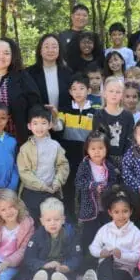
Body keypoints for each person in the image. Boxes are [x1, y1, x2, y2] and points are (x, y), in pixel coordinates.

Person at [84, 185, 140, 280]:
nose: (121, 215)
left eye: (125, 211)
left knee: (117, 277)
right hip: (106, 264)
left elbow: (138, 256)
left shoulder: (135, 232)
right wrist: (100, 252)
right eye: (116, 212)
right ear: (110, 212)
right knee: (106, 261)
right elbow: (93, 247)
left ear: (131, 211)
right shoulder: (105, 229)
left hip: (125, 269)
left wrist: (122, 255)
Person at [16, 198, 81, 280]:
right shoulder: (37, 236)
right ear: (42, 221)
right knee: (40, 274)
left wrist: (67, 266)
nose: (53, 223)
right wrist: (43, 265)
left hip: (62, 265)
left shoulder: (70, 234)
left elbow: (76, 256)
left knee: (66, 275)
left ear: (63, 219)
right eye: (48, 220)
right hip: (45, 264)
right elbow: (29, 257)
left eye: (56, 219)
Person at [75, 131, 120, 270]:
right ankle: (88, 266)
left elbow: (114, 183)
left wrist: (107, 188)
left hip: (105, 208)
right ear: (87, 150)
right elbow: (79, 182)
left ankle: (105, 264)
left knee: (106, 235)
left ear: (106, 149)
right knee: (89, 236)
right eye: (93, 148)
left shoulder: (109, 166)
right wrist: (93, 186)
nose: (97, 152)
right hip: (90, 209)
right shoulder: (84, 165)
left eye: (100, 148)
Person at [17, 106, 69, 223]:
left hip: (52, 190)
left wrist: (57, 182)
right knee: (33, 223)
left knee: (51, 221)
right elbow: (24, 172)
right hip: (32, 192)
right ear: (29, 126)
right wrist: (42, 186)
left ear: (50, 125)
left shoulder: (55, 146)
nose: (39, 127)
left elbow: (63, 165)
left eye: (43, 123)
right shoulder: (25, 149)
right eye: (35, 123)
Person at [59, 73, 96, 217]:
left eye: (81, 88)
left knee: (85, 188)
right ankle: (70, 218)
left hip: (86, 157)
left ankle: (85, 217)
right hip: (68, 155)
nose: (78, 92)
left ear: (89, 90)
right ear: (70, 92)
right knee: (68, 188)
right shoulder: (65, 110)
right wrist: (54, 116)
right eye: (74, 89)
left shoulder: (95, 112)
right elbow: (57, 127)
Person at [26, 33, 73, 145]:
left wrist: (58, 120)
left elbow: (71, 100)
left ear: (59, 50)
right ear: (40, 50)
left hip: (62, 125)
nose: (50, 50)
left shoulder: (68, 73)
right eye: (46, 46)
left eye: (54, 47)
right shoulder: (29, 73)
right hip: (38, 127)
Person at [93, 77, 135, 169]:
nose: (114, 94)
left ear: (122, 95)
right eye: (111, 91)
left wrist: (124, 162)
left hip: (124, 161)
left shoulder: (128, 116)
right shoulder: (99, 115)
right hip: (104, 161)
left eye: (118, 92)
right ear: (104, 93)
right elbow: (98, 140)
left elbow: (130, 141)